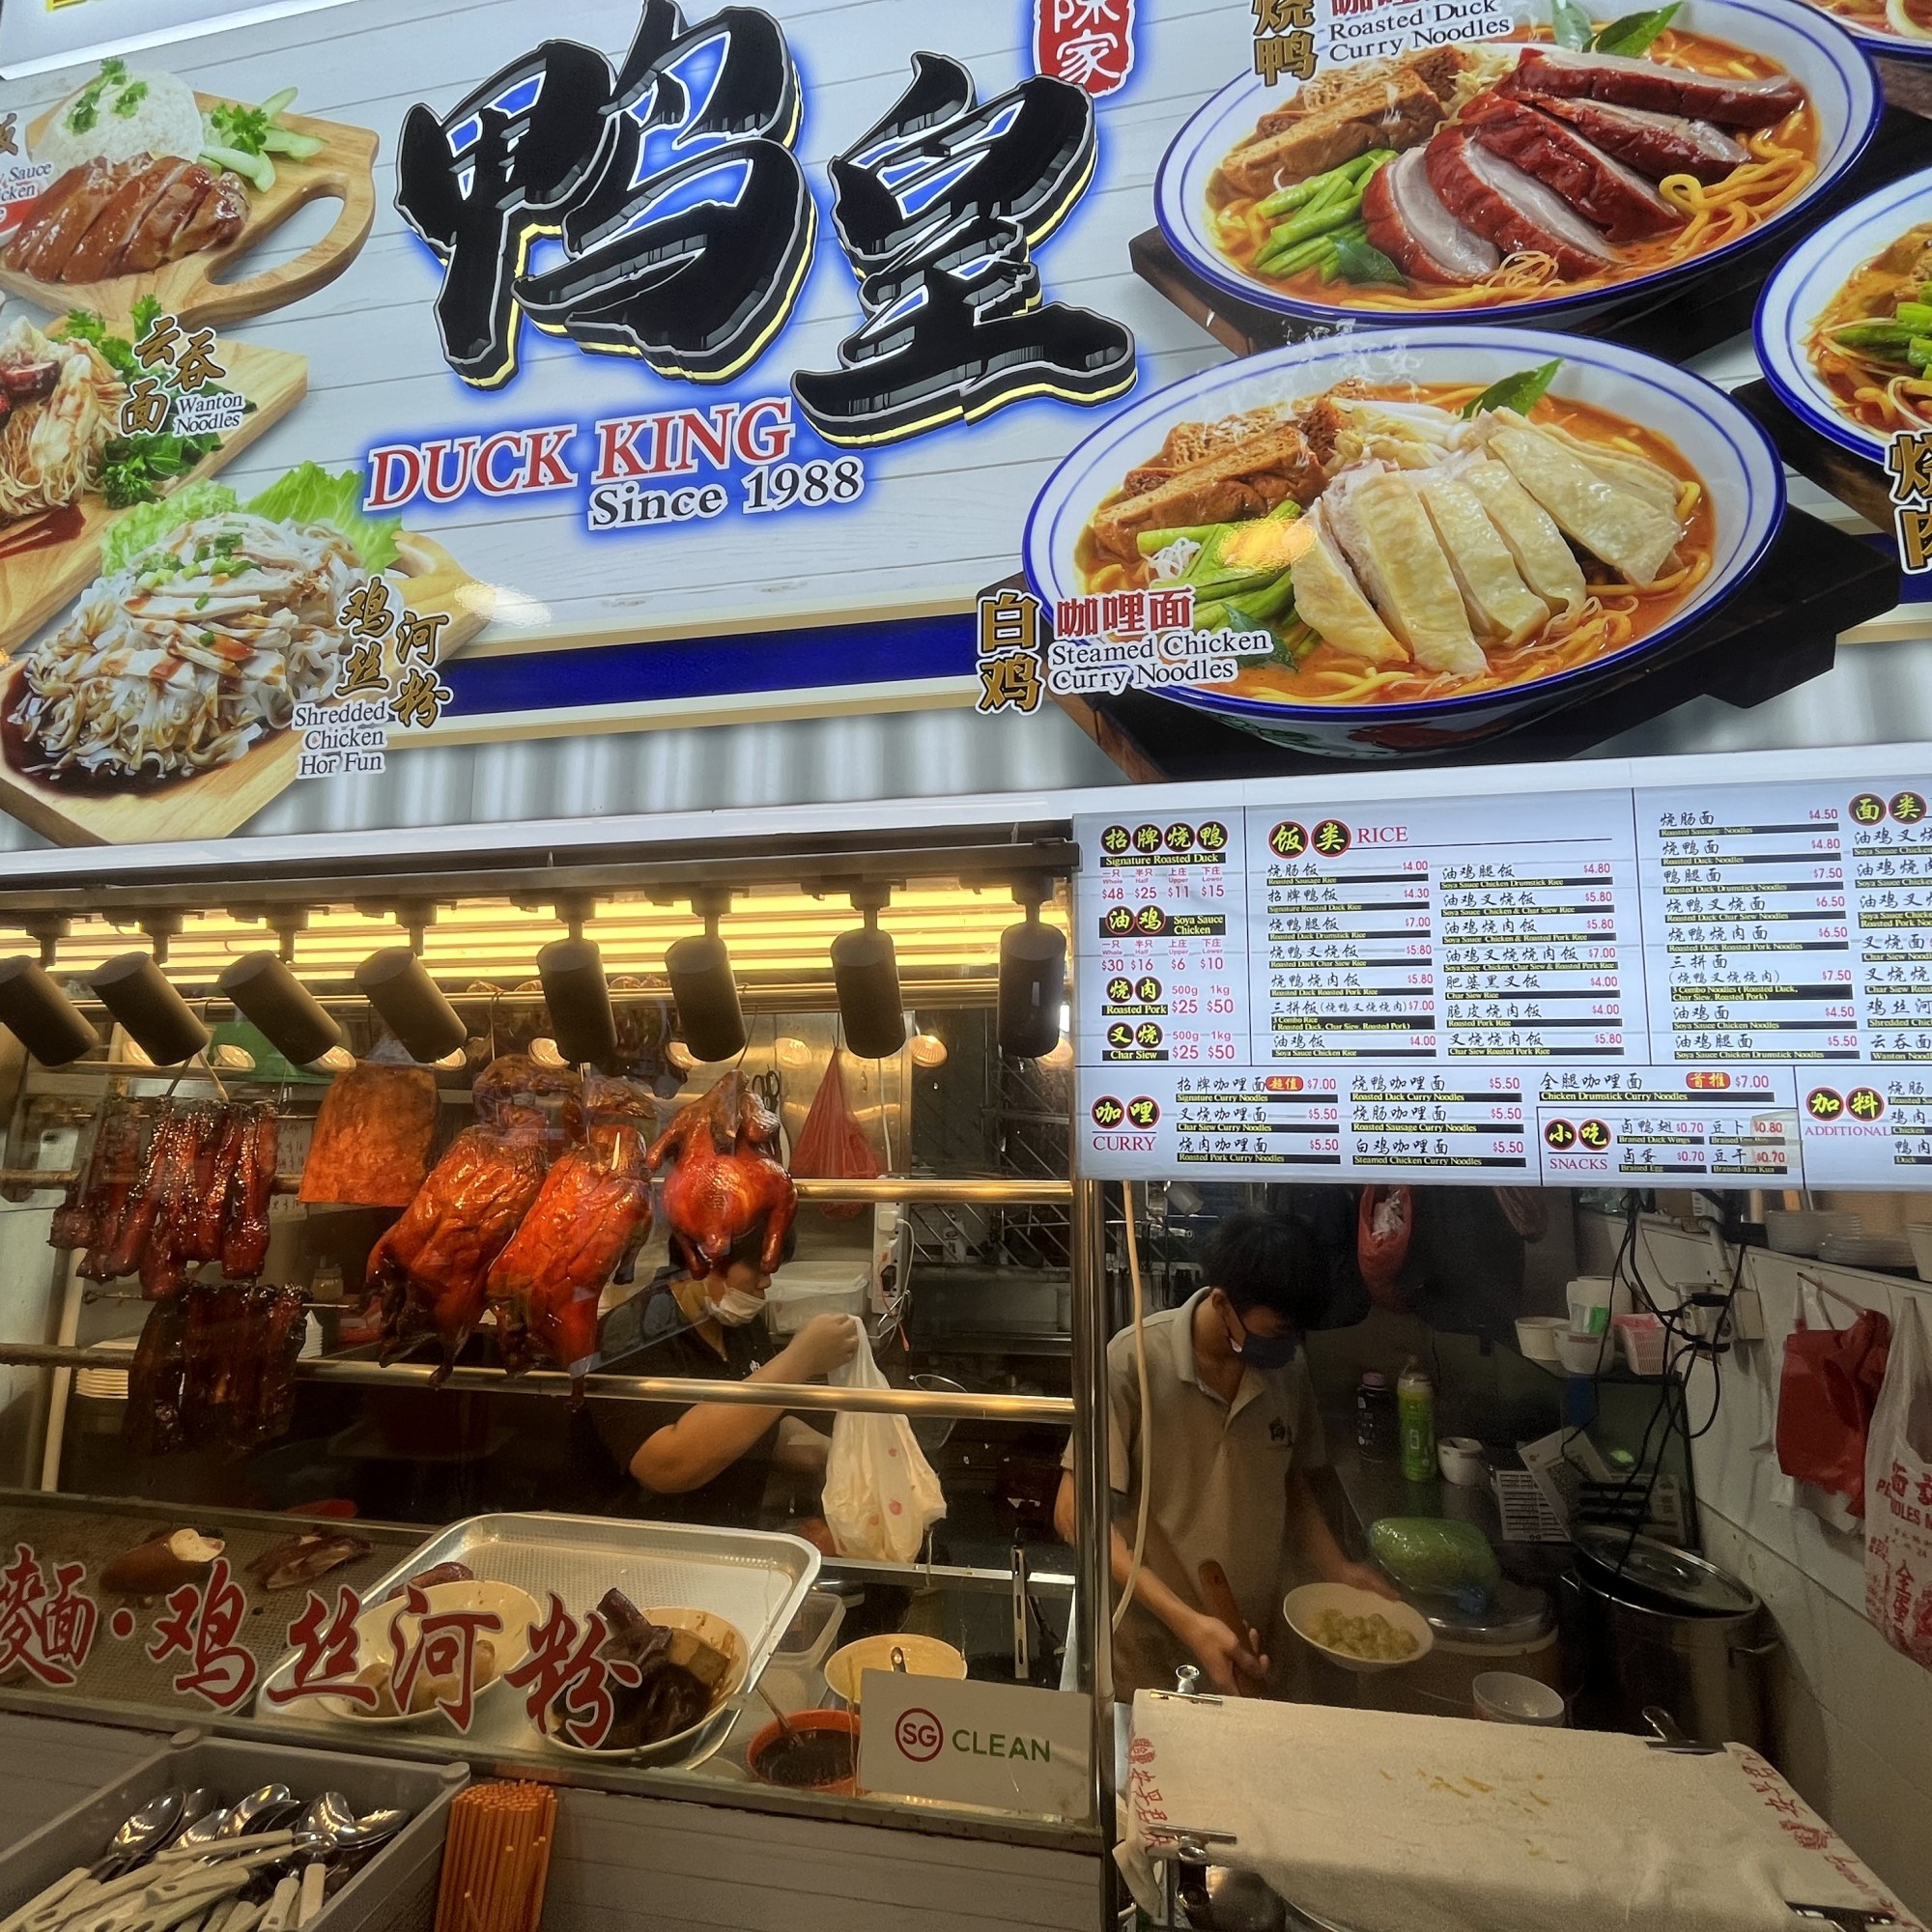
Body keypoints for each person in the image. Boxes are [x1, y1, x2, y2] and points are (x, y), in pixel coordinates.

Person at [1054, 1208, 1398, 1698]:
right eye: (1277, 1332)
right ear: (1221, 1303)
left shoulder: (1287, 1370)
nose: (1288, 1346)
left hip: (1252, 1638)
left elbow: (1290, 1483)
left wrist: (1337, 1569)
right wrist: (1187, 1621)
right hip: (1152, 1647)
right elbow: (1074, 1514)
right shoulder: (1132, 1362)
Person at [589, 1222, 858, 1523]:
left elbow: (753, 1423)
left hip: (731, 1533)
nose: (766, 1282)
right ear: (705, 1259)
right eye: (757, 1267)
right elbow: (665, 1467)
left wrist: (829, 1453)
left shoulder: (736, 1321)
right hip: (649, 1542)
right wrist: (800, 1358)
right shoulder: (631, 1332)